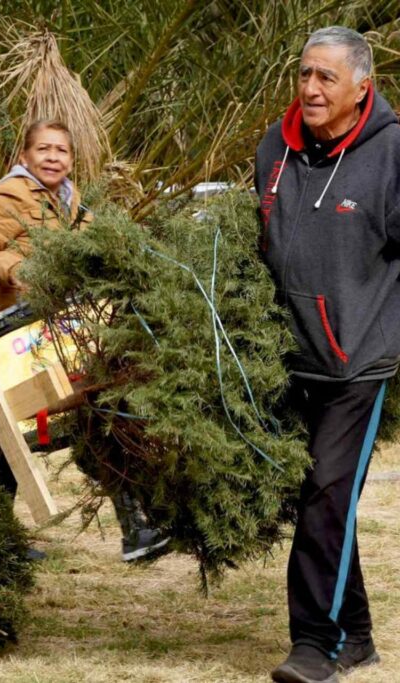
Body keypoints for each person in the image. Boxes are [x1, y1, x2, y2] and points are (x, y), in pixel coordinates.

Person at [256, 26, 400, 683]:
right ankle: (359, 634)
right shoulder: (275, 149)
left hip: (357, 363)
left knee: (324, 497)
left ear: (361, 88)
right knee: (319, 499)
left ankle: (315, 644)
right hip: (289, 358)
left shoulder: (392, 153)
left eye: (327, 78)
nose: (311, 89)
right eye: (305, 74)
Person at [0, 119, 170, 563]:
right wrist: (16, 268)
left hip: (67, 329)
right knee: (35, 427)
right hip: (21, 334)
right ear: (25, 157)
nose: (54, 157)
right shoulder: (12, 196)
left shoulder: (73, 205)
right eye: (44, 149)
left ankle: (135, 530)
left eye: (62, 151)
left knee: (90, 411)